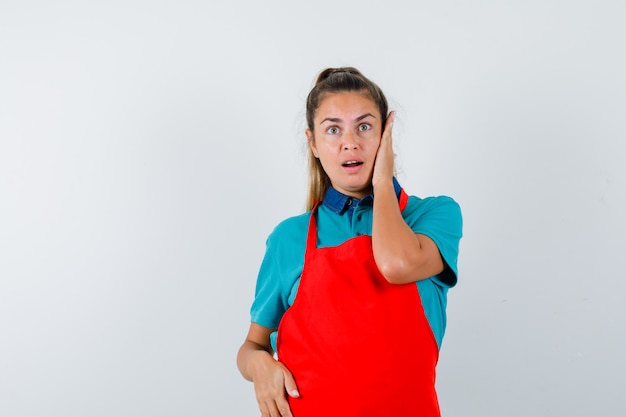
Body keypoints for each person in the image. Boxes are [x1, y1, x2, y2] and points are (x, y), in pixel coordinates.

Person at [236, 67, 463, 417]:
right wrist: (259, 367)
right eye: (333, 129)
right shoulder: (289, 238)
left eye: (365, 126)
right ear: (312, 143)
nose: (350, 142)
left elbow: (396, 265)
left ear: (387, 133)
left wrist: (382, 182)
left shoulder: (432, 217)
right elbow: (252, 345)